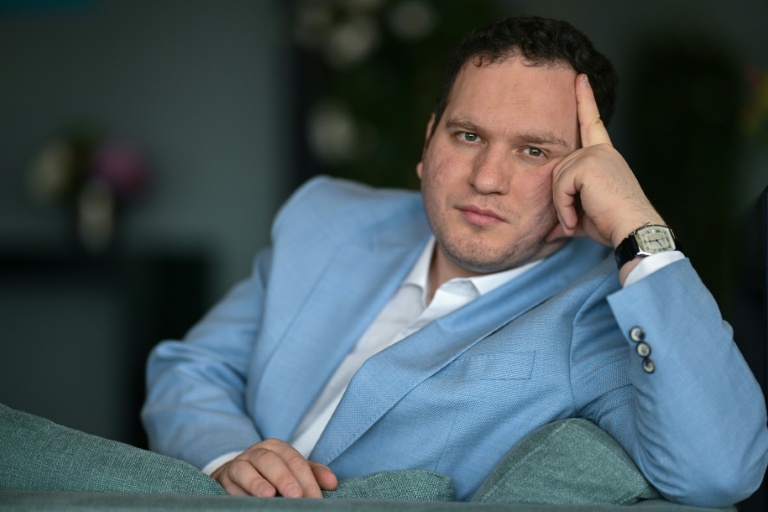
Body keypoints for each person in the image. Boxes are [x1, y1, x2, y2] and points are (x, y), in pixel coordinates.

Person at [141, 15, 768, 506]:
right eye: (468, 136)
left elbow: (723, 468)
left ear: (585, 174)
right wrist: (228, 457)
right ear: (428, 141)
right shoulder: (326, 217)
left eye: (533, 151)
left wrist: (637, 226)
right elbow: (191, 367)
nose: (486, 178)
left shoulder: (600, 317)